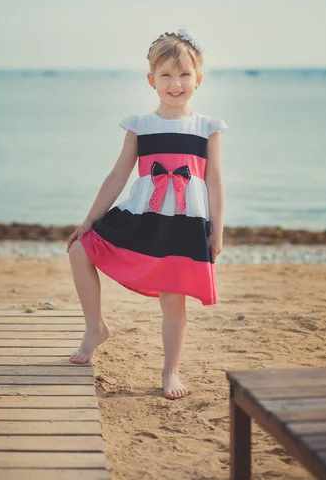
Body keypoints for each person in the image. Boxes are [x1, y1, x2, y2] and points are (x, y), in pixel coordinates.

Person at [67, 29, 229, 400]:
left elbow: (215, 182)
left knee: (173, 301)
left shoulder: (207, 128)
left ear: (198, 80)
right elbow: (118, 175)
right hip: (142, 216)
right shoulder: (139, 124)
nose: (176, 83)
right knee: (78, 250)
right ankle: (95, 327)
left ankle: (170, 371)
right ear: (151, 80)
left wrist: (217, 231)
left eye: (185, 74)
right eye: (166, 75)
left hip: (183, 224)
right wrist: (89, 220)